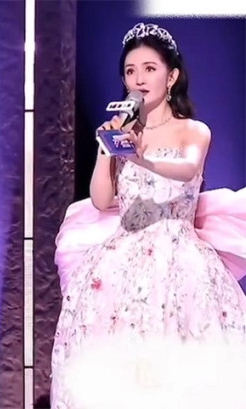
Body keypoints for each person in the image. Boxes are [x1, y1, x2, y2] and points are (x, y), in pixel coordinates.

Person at [51, 22, 246, 409]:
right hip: (119, 262)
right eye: (130, 71)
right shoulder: (123, 133)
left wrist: (140, 157)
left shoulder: (193, 131)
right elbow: (101, 200)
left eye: (149, 69)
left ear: (171, 77)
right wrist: (107, 148)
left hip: (180, 260)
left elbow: (188, 170)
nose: (138, 79)